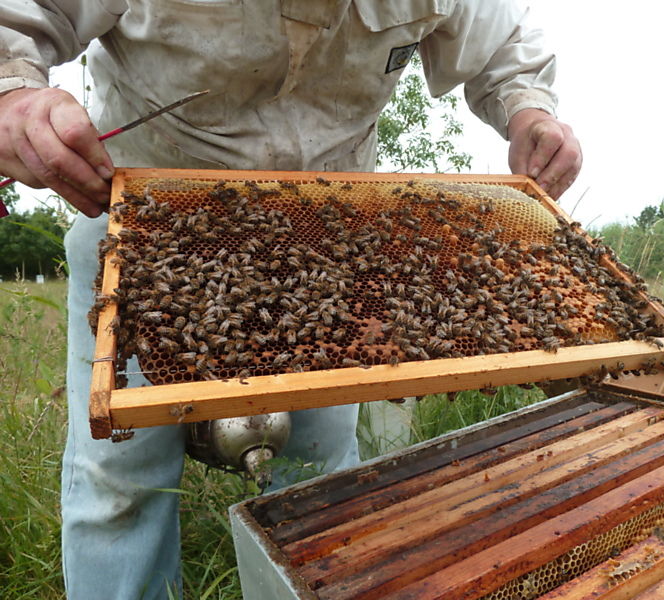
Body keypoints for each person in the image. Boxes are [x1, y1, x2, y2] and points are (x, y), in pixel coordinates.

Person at [0, 1, 582, 598]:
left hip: (330, 236)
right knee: (122, 482)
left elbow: (503, 41)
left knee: (319, 473)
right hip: (152, 226)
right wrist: (13, 91)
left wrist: (529, 110)